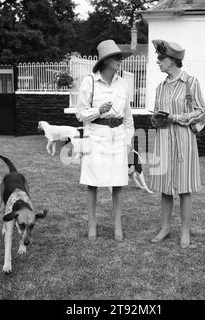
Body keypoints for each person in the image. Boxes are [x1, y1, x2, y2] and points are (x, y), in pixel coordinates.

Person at [149, 40, 205, 248]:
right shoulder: (160, 87)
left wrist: (175, 117)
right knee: (165, 188)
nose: (158, 62)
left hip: (183, 140)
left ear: (172, 60)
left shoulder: (191, 83)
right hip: (164, 140)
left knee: (184, 188)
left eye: (161, 58)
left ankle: (185, 230)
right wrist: (156, 119)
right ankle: (165, 228)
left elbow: (201, 111)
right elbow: (157, 115)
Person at [76, 39, 134, 241]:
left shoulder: (124, 83)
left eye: (119, 57)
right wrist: (97, 110)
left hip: (117, 136)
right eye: (115, 57)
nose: (119, 60)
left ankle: (117, 223)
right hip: (96, 135)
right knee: (92, 182)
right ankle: (92, 223)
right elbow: (80, 114)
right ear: (105, 60)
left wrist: (128, 143)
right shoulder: (89, 81)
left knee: (118, 182)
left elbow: (128, 118)